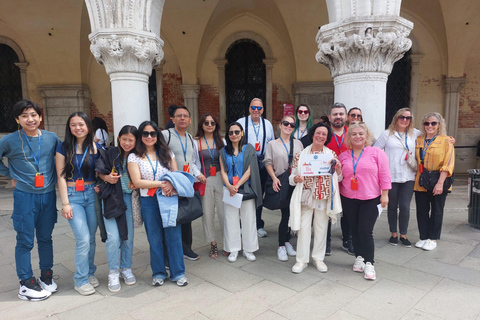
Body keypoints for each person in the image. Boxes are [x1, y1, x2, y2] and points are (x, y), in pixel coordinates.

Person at [0, 100, 60, 301]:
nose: (30, 119)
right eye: (24, 115)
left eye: (33, 114)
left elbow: (63, 159)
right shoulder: (10, 140)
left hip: (48, 195)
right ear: (18, 119)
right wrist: (9, 174)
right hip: (25, 196)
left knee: (45, 237)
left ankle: (46, 275)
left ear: (40, 117)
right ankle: (26, 282)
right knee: (25, 239)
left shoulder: (52, 138)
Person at [128, 121, 188, 286]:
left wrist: (170, 183)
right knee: (154, 238)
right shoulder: (134, 156)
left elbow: (175, 175)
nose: (149, 137)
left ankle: (178, 273)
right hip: (149, 201)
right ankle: (159, 273)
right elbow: (137, 182)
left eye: (152, 133)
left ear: (157, 135)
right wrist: (162, 183)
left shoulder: (167, 153)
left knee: (173, 236)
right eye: (145, 133)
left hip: (168, 198)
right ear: (141, 136)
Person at [56, 112, 101, 295]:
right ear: (69, 128)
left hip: (92, 195)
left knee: (90, 238)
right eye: (73, 125)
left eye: (81, 124)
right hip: (73, 195)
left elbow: (100, 172)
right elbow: (60, 176)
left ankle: (90, 272)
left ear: (88, 126)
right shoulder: (63, 147)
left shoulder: (96, 147)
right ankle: (80, 279)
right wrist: (65, 203)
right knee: (82, 239)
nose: (77, 128)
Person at [339, 122, 391, 280]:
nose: (357, 136)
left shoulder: (376, 153)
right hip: (349, 197)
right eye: (354, 134)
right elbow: (340, 178)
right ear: (349, 137)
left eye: (361, 133)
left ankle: (369, 263)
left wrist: (385, 194)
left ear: (366, 136)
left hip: (370, 197)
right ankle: (359, 257)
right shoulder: (343, 156)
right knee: (354, 229)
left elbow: (385, 174)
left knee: (366, 230)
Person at [289, 122, 342, 273]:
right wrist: (296, 179)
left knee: (321, 228)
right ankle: (301, 260)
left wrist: (338, 168)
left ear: (327, 138)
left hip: (323, 196)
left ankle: (318, 258)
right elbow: (291, 178)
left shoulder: (331, 155)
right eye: (318, 133)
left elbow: (338, 179)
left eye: (324, 134)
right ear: (313, 134)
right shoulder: (301, 155)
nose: (320, 136)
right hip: (305, 197)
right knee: (304, 228)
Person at [95, 125, 138, 292]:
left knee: (128, 237)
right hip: (112, 199)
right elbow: (97, 169)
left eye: (131, 140)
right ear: (119, 138)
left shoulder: (137, 156)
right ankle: (113, 271)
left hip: (129, 199)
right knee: (113, 238)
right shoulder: (110, 153)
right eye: (124, 139)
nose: (127, 143)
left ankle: (126, 268)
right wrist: (105, 177)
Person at [162, 106, 204, 260]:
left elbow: (192, 161)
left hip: (186, 183)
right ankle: (168, 253)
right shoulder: (165, 135)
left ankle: (187, 248)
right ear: (172, 119)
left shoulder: (190, 138)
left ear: (190, 120)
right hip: (171, 184)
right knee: (171, 218)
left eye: (185, 116)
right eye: (178, 116)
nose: (182, 118)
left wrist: (198, 174)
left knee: (186, 216)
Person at [373, 108, 420, 247]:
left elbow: (432, 136)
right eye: (402, 117)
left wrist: (449, 140)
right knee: (392, 206)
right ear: (396, 118)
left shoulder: (415, 133)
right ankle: (393, 233)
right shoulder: (387, 134)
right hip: (391, 175)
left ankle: (403, 234)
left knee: (405, 206)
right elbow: (375, 150)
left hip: (408, 175)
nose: (405, 120)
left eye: (408, 118)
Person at [220, 122, 262, 262]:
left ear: (242, 133)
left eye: (237, 132)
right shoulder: (223, 151)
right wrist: (229, 186)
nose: (234, 135)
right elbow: (223, 171)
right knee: (230, 219)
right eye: (231, 132)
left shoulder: (248, 149)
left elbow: (250, 170)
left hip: (245, 188)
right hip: (229, 190)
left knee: (249, 219)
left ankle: (249, 249)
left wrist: (237, 184)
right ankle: (233, 249)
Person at [264, 115, 303, 261]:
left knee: (292, 214)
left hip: (295, 181)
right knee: (285, 213)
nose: (288, 126)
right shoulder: (272, 144)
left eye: (292, 125)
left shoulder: (298, 143)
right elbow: (267, 162)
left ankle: (286, 241)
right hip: (281, 181)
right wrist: (274, 178)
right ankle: (281, 245)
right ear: (280, 125)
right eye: (286, 123)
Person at [413, 112, 455, 251]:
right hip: (422, 178)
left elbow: (448, 162)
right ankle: (423, 236)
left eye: (433, 123)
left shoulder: (446, 140)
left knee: (437, 210)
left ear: (439, 125)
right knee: (422, 210)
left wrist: (440, 183)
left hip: (438, 178)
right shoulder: (419, 139)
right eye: (427, 123)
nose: (429, 126)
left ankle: (432, 238)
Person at [237, 98, 275, 238]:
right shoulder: (241, 122)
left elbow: (271, 143)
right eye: (253, 107)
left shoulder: (267, 124)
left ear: (263, 110)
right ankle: (242, 224)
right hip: (246, 163)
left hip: (262, 162)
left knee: (259, 194)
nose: (256, 110)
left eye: (259, 108)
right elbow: (235, 141)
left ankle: (258, 224)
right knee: (244, 192)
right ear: (249, 108)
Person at [194, 113, 225, 258]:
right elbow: (192, 162)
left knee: (223, 212)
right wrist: (197, 174)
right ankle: (213, 243)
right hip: (204, 179)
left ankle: (228, 241)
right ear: (202, 125)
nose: (210, 125)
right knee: (208, 213)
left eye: (212, 123)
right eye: (206, 123)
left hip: (220, 178)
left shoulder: (222, 141)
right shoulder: (196, 142)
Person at [325, 102, 353, 255]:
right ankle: (326, 241)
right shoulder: (324, 133)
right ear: (330, 117)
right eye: (335, 114)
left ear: (346, 117)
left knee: (348, 210)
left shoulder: (352, 133)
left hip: (348, 178)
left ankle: (347, 240)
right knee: (328, 209)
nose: (338, 117)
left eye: (341, 114)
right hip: (329, 178)